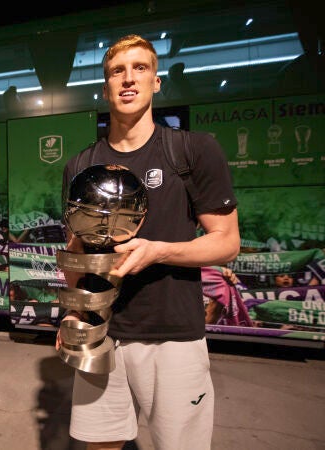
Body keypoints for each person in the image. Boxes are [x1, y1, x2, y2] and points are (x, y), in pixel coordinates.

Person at [56, 34, 240, 450]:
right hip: (103, 330)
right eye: (117, 71)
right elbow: (76, 251)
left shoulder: (192, 151)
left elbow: (227, 242)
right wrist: (76, 314)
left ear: (156, 82)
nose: (128, 79)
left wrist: (159, 251)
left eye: (140, 68)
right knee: (99, 444)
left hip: (172, 334)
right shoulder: (79, 166)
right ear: (105, 89)